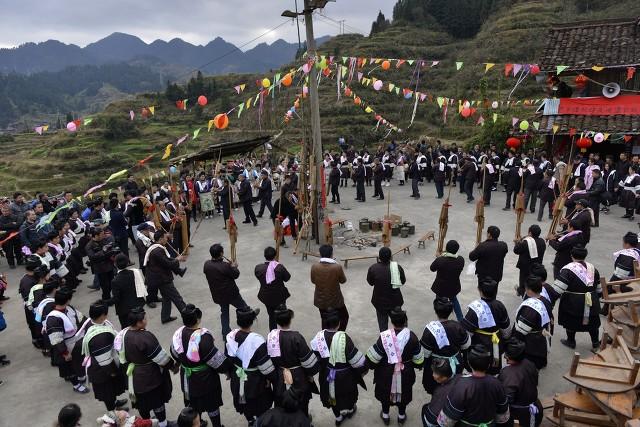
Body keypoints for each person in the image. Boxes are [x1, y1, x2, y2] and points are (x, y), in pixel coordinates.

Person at [114, 307, 178, 426]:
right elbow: (161, 357)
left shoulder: (122, 334)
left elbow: (119, 353)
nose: (146, 320)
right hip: (150, 377)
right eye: (145, 319)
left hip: (133, 377)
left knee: (142, 404)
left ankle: (146, 423)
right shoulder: (145, 337)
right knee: (157, 402)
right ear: (139, 323)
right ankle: (163, 424)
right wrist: (172, 366)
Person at [170, 304, 229, 427]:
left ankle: (197, 422)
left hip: (187, 376)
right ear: (197, 319)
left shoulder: (178, 334)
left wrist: (184, 362)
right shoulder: (203, 337)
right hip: (206, 379)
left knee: (193, 403)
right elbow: (216, 361)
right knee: (211, 404)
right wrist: (227, 370)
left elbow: (174, 352)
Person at [366, 306, 424, 425]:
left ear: (391, 321)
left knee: (385, 392)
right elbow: (419, 360)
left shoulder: (384, 337)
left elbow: (374, 358)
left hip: (386, 372)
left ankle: (386, 415)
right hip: (405, 372)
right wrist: (415, 364)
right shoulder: (412, 337)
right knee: (404, 392)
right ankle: (401, 416)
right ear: (405, 321)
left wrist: (369, 365)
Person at [311, 308, 366, 425]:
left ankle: (338, 417)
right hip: (345, 375)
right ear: (339, 323)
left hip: (326, 374)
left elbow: (314, 358)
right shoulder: (344, 338)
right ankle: (350, 410)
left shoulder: (318, 337)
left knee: (331, 396)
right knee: (348, 394)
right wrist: (363, 369)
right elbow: (356, 360)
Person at [226, 306, 277, 426]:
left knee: (244, 402)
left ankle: (250, 420)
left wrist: (229, 373)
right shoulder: (257, 341)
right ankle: (261, 422)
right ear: (252, 321)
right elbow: (266, 367)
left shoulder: (230, 337)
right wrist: (272, 378)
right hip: (255, 381)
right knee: (260, 404)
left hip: (238, 377)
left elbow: (227, 359)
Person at [436, 344, 510, 426]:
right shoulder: (497, 384)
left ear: (469, 363)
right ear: (489, 365)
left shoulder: (461, 386)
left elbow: (445, 422)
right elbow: (503, 417)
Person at [266, 305, 319, 416]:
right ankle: (303, 420)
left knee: (281, 401)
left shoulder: (271, 337)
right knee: (301, 401)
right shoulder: (296, 337)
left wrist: (271, 378)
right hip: (298, 376)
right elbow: (308, 362)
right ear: (290, 320)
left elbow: (269, 359)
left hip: (280, 376)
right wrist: (310, 374)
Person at [80, 301, 128, 412]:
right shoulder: (100, 337)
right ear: (102, 316)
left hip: (100, 365)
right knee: (108, 393)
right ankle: (113, 414)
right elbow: (105, 361)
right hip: (103, 371)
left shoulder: (90, 323)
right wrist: (113, 372)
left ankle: (115, 403)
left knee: (111, 391)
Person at [552, 245, 602, 350]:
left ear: (571, 255)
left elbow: (558, 289)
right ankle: (595, 342)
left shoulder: (567, 270)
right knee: (592, 322)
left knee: (571, 320)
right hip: (591, 300)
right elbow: (599, 289)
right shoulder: (593, 268)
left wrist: (551, 299)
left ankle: (571, 341)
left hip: (573, 302)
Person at [43, 287, 90, 393]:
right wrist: (64, 352)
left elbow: (82, 318)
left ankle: (81, 377)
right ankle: (76, 385)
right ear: (68, 300)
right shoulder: (53, 318)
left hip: (76, 340)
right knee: (69, 366)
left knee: (79, 362)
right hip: (65, 345)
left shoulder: (69, 308)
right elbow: (56, 339)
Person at [420, 297, 470, 395]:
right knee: (453, 390)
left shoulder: (430, 330)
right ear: (451, 311)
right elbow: (466, 345)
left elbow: (425, 354)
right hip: (455, 364)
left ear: (436, 311)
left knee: (436, 391)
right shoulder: (458, 326)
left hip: (437, 367)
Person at [461, 278, 511, 376]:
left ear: (480, 290)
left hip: (478, 348)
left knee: (478, 370)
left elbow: (466, 335)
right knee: (494, 371)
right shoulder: (500, 306)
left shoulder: (474, 309)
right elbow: (506, 331)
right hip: (496, 345)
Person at [204, 243, 250, 337]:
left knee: (224, 312)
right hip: (231, 294)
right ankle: (250, 316)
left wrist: (229, 266)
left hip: (218, 295)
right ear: (221, 254)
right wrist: (234, 267)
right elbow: (236, 275)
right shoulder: (225, 266)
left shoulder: (207, 264)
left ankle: (225, 333)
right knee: (243, 307)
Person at [143, 230, 187, 324]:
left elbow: (165, 260)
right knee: (177, 298)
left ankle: (165, 317)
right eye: (165, 237)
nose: (166, 239)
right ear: (160, 239)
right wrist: (177, 259)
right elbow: (167, 263)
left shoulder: (155, 248)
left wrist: (177, 259)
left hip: (159, 277)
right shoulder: (157, 251)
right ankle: (188, 317)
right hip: (162, 279)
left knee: (166, 298)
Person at [498, 338, 543, 427]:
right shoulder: (530, 364)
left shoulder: (507, 373)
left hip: (520, 419)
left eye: (506, 354)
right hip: (537, 410)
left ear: (509, 356)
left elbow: (506, 401)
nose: (504, 356)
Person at [512, 276, 553, 369]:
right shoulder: (545, 301)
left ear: (529, 291)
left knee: (529, 365)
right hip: (541, 336)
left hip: (531, 341)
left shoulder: (530, 309)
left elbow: (522, 331)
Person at [367, 247, 406, 332]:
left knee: (383, 326)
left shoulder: (373, 268)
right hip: (395, 301)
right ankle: (400, 339)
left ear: (379, 257)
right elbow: (402, 281)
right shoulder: (397, 268)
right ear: (390, 257)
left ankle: (385, 341)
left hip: (380, 302)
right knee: (398, 324)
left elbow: (370, 283)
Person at [310, 244, 349, 331]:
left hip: (320, 299)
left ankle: (325, 338)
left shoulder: (315, 266)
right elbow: (343, 281)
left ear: (320, 254)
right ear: (332, 254)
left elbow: (313, 281)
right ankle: (339, 334)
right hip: (335, 299)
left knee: (324, 320)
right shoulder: (337, 267)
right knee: (344, 316)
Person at [254, 246, 291, 330]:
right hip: (279, 296)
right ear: (275, 256)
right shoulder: (279, 267)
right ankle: (284, 334)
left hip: (266, 296)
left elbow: (258, 276)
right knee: (283, 316)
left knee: (271, 316)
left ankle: (273, 335)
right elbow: (287, 278)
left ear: (264, 256)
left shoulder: (258, 268)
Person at [107, 254, 146, 328]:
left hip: (124, 310)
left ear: (115, 264)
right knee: (140, 327)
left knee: (128, 330)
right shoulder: (134, 273)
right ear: (128, 263)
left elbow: (116, 298)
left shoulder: (115, 281)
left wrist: (105, 302)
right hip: (138, 305)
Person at [430, 240, 465, 320]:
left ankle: (441, 318)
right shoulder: (461, 260)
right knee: (454, 300)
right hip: (453, 286)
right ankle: (460, 318)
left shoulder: (441, 260)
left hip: (440, 287)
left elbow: (432, 268)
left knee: (439, 303)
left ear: (447, 249)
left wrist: (439, 257)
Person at [421, 358, 459, 427]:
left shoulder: (440, 392)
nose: (432, 375)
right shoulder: (459, 377)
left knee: (424, 408)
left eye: (435, 373)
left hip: (442, 420)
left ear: (444, 378)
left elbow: (431, 419)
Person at [513, 224, 546, 296]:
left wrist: (517, 243)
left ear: (530, 233)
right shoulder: (542, 241)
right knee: (535, 281)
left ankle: (522, 292)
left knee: (523, 281)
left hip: (525, 267)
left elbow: (516, 250)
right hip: (537, 266)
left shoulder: (525, 243)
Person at [86, 228, 116, 301]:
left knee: (112, 283)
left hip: (109, 265)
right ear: (96, 236)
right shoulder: (89, 246)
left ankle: (111, 297)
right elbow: (92, 257)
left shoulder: (104, 240)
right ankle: (106, 299)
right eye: (102, 234)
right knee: (105, 286)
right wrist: (103, 251)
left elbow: (109, 250)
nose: (104, 235)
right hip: (100, 269)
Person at [0, 204, 22, 268]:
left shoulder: (15, 216)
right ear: (1, 211)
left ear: (10, 211)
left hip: (15, 236)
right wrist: (11, 224)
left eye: (6, 211)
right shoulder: (0, 218)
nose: (5, 212)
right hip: (6, 237)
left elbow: (18, 225)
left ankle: (19, 261)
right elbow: (1, 226)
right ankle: (11, 264)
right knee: (8, 251)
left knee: (18, 249)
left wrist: (6, 226)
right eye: (3, 211)